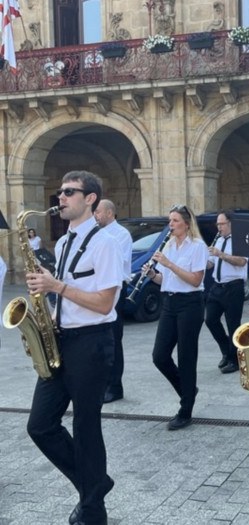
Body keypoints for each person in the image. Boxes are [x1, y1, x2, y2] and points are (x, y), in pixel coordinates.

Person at [25, 170, 122, 525]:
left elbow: (104, 304)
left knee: (85, 426)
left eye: (69, 192)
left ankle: (93, 510)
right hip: (61, 340)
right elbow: (63, 295)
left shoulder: (105, 242)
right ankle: (95, 483)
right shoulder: (64, 243)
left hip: (92, 344)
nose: (60, 198)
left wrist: (57, 287)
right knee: (40, 425)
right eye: (60, 192)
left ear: (90, 198)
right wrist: (45, 317)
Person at [147, 204, 208, 430]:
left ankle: (186, 409)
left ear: (186, 223)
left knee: (186, 356)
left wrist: (169, 264)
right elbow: (167, 280)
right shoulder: (171, 245)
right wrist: (153, 274)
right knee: (159, 355)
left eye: (174, 221)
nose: (170, 225)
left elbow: (195, 280)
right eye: (169, 221)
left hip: (190, 304)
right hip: (169, 302)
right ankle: (187, 390)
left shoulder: (198, 246)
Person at [94, 199, 133, 403]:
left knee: (114, 339)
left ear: (109, 212)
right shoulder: (96, 232)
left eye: (98, 212)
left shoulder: (121, 234)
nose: (95, 215)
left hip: (116, 288)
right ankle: (103, 384)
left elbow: (117, 262)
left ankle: (115, 387)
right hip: (98, 289)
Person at [205, 210, 248, 373]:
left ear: (231, 224)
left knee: (233, 325)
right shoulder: (218, 240)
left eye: (221, 224)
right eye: (217, 224)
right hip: (217, 286)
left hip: (233, 287)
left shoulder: (240, 240)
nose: (218, 227)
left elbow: (242, 261)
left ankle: (235, 360)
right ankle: (226, 350)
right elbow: (211, 264)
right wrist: (203, 259)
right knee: (210, 320)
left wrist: (221, 254)